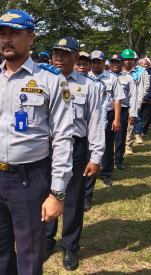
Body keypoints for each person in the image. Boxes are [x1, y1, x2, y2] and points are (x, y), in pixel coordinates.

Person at [0, 10, 74, 274]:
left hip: (31, 177)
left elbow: (62, 138)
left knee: (30, 253)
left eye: (14, 33)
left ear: (31, 37)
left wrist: (57, 193)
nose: (7, 39)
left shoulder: (51, 80)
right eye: (2, 34)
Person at [46, 38, 104, 270]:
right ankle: (46, 240)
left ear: (76, 57)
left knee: (72, 199)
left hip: (75, 146)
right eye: (56, 54)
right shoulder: (42, 81)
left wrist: (96, 157)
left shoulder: (89, 85)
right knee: (46, 194)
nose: (59, 58)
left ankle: (70, 247)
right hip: (44, 146)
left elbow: (96, 123)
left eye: (65, 54)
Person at [88, 51, 124, 188]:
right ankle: (90, 169)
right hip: (90, 116)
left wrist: (116, 119)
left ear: (104, 63)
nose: (96, 64)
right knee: (89, 144)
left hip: (107, 115)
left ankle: (106, 173)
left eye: (99, 62)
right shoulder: (85, 76)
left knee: (108, 145)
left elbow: (117, 99)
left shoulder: (112, 78)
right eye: (94, 62)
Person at [106, 54, 137, 174]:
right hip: (108, 111)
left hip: (123, 110)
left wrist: (133, 113)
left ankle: (118, 159)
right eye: (112, 62)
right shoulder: (105, 76)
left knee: (120, 137)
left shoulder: (128, 78)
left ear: (122, 63)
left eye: (117, 62)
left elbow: (133, 96)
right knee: (106, 138)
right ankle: (106, 160)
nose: (115, 64)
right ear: (109, 63)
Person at [122, 49, 149, 152]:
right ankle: (120, 144)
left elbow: (141, 89)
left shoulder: (138, 72)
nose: (127, 62)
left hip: (132, 103)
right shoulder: (118, 72)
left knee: (130, 125)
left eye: (129, 59)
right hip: (120, 103)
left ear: (133, 60)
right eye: (125, 59)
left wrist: (138, 104)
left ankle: (128, 145)